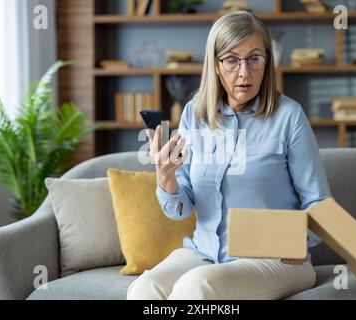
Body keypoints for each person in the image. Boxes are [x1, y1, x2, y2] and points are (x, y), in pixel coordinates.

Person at [127, 10, 333, 300]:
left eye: (254, 59)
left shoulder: (289, 116)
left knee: (198, 286)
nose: (244, 73)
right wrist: (166, 180)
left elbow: (320, 202)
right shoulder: (194, 115)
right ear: (215, 64)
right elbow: (181, 207)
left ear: (267, 61)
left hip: (275, 258)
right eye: (232, 60)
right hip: (205, 253)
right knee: (143, 288)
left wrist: (297, 240)